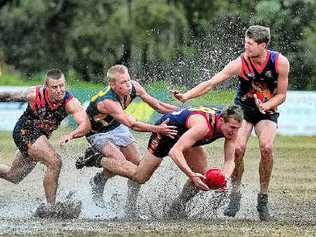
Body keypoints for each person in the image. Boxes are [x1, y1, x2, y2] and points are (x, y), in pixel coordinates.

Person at [172, 25, 289, 221]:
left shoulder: (280, 62)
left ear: (263, 45)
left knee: (266, 147)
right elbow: (211, 83)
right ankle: (235, 193)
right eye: (245, 42)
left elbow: (282, 95)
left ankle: (263, 199)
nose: (246, 47)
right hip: (242, 110)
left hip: (267, 110)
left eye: (250, 44)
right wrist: (186, 96)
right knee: (238, 149)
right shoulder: (240, 63)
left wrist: (266, 105)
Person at [78, 105, 243, 219]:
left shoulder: (231, 126)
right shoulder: (203, 127)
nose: (234, 132)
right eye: (232, 128)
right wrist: (191, 175)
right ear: (222, 121)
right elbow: (175, 151)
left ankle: (176, 208)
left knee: (201, 174)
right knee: (139, 175)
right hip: (167, 132)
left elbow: (230, 160)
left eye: (237, 128)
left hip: (188, 137)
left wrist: (225, 178)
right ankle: (97, 158)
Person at [78, 64, 178, 215]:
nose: (128, 85)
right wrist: (158, 129)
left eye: (128, 80)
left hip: (117, 126)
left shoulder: (134, 87)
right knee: (119, 163)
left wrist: (181, 111)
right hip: (97, 132)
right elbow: (133, 124)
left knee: (138, 166)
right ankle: (96, 163)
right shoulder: (107, 101)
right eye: (123, 82)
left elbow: (157, 105)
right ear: (112, 84)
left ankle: (129, 206)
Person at [0, 69, 90, 213]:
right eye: (55, 87)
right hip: (25, 131)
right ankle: (51, 208)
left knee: (14, 175)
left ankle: (50, 206)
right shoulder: (34, 94)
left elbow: (86, 124)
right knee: (54, 162)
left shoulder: (70, 102)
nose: (59, 90)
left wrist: (72, 134)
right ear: (46, 87)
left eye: (62, 86)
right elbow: (9, 95)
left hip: (39, 137)